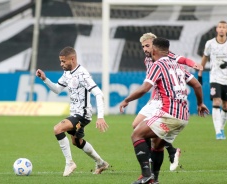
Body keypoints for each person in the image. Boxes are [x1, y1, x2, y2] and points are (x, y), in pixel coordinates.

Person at [120, 37, 209, 184]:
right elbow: (197, 85)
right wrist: (200, 104)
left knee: (137, 134)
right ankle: (154, 179)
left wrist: (127, 100)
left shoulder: (158, 65)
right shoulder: (178, 66)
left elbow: (145, 88)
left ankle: (146, 175)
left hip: (169, 113)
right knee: (158, 146)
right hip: (183, 117)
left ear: (154, 50)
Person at [36, 46, 109, 176]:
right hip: (75, 114)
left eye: (64, 61)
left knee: (58, 129)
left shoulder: (83, 75)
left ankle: (69, 163)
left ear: (72, 59)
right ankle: (101, 162)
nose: (61, 64)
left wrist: (101, 117)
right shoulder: (67, 73)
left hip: (82, 115)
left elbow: (99, 94)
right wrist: (45, 79)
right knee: (77, 142)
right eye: (60, 61)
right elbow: (57, 89)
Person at [198, 20, 227, 140]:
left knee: (226, 105)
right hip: (215, 77)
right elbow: (204, 58)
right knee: (216, 102)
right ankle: (218, 132)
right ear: (217, 29)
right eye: (220, 27)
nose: (221, 29)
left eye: (224, 27)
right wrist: (200, 74)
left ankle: (221, 128)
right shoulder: (210, 43)